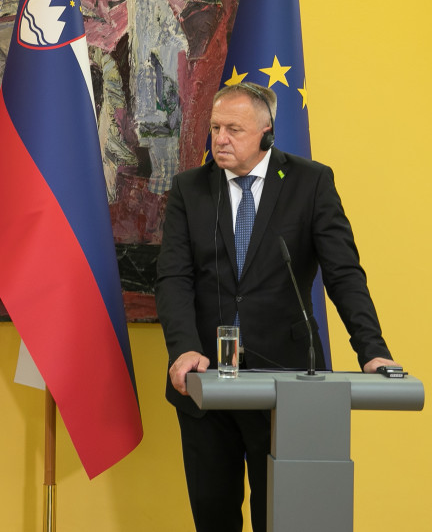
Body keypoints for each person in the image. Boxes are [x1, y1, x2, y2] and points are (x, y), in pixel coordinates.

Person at [155, 82, 398, 531]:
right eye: (214, 128)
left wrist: (372, 350)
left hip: (288, 385)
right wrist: (184, 348)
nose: (220, 139)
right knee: (213, 516)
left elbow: (343, 274)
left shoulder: (310, 182)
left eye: (234, 129)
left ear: (267, 133)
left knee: (284, 517)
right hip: (206, 382)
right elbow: (174, 278)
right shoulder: (190, 189)